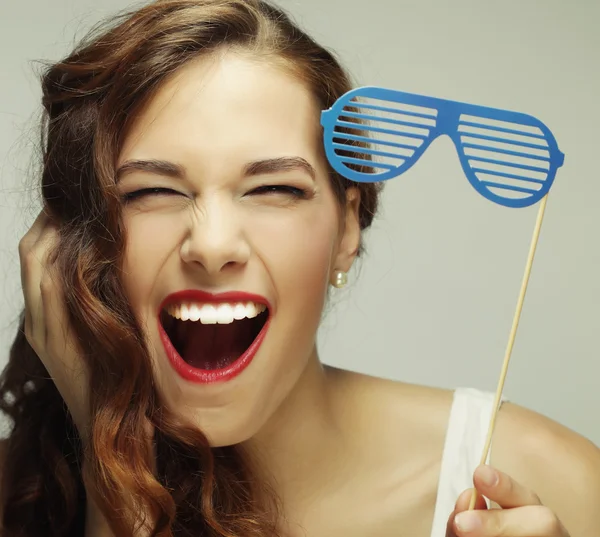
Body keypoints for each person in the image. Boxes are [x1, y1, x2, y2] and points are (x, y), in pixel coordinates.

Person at [1, 1, 599, 536]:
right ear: (66, 247)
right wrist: (111, 489)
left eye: (273, 189)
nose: (210, 246)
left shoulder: (556, 478)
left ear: (347, 227)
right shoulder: (18, 497)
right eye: (151, 190)